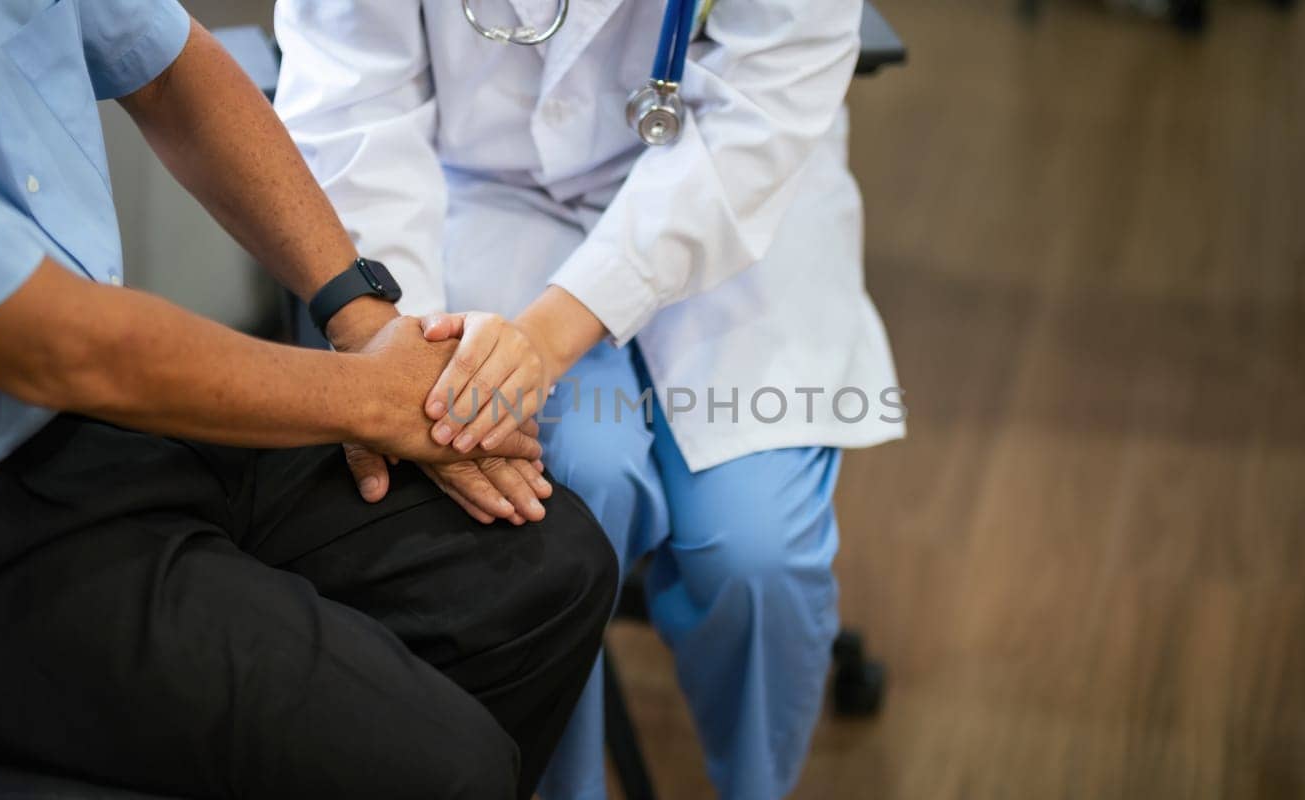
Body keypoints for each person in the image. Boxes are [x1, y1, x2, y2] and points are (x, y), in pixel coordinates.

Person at [0, 2, 618, 798]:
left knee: (552, 570)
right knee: (444, 769)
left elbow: (168, 70)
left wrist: (365, 320)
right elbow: (65, 348)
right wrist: (376, 397)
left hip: (94, 427)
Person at [274, 0, 906, 796]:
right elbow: (351, 102)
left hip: (732, 191)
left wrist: (546, 337)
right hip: (482, 192)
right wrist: (393, 349)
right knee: (564, 491)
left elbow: (761, 109)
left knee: (757, 558)